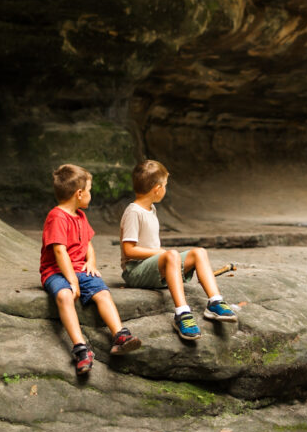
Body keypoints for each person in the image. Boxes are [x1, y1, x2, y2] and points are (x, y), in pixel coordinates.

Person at [119, 160, 237, 341]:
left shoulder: (150, 209)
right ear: (157, 189)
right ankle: (182, 313)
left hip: (154, 267)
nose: (166, 189)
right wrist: (161, 253)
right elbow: (128, 251)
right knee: (172, 254)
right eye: (165, 185)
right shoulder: (134, 212)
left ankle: (215, 301)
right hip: (136, 271)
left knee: (199, 252)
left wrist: (162, 254)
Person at [40, 163, 141, 374]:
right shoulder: (57, 217)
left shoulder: (80, 216)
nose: (90, 195)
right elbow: (59, 252)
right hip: (56, 271)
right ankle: (80, 348)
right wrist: (73, 281)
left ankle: (120, 334)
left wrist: (91, 263)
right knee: (65, 296)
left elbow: (88, 244)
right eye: (89, 191)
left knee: (102, 292)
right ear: (79, 194)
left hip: (79, 269)